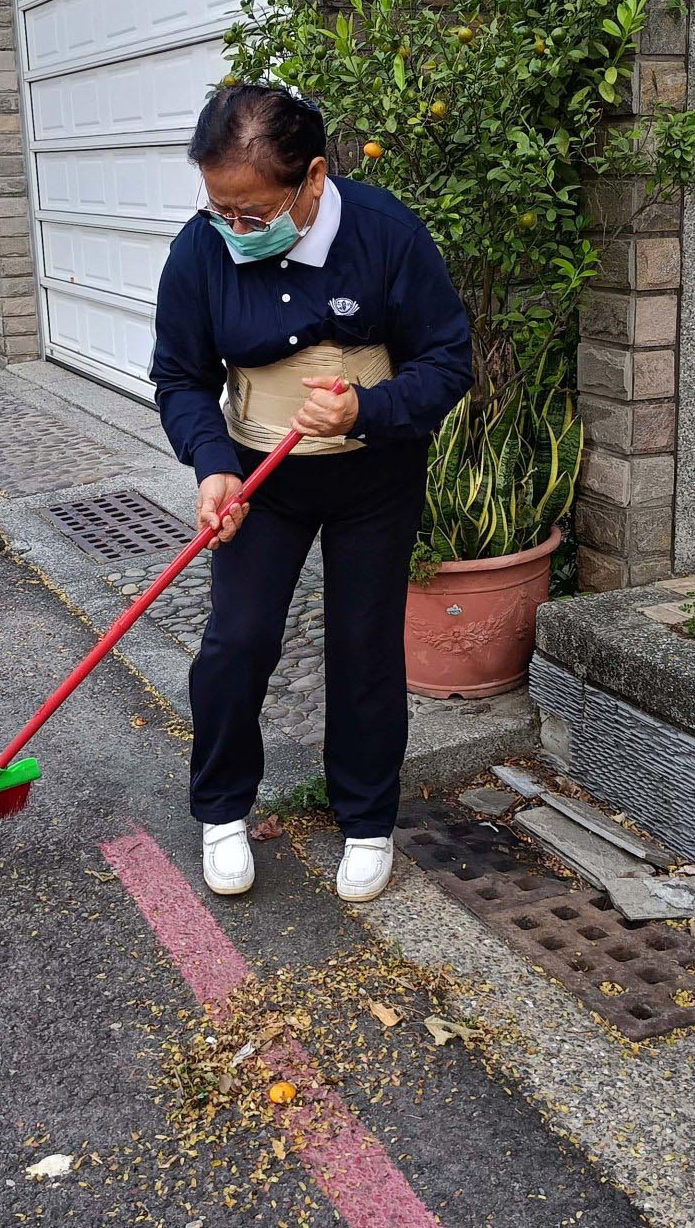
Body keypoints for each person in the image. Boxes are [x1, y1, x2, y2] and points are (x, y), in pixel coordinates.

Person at [150, 84, 472, 904]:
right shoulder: (200, 251)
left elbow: (446, 361)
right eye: (219, 208)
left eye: (254, 213)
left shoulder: (386, 233)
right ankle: (222, 810)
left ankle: (365, 820)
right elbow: (181, 378)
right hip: (260, 479)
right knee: (237, 640)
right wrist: (211, 463)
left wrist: (367, 408)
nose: (234, 228)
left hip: (374, 473)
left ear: (315, 178)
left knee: (365, 643)